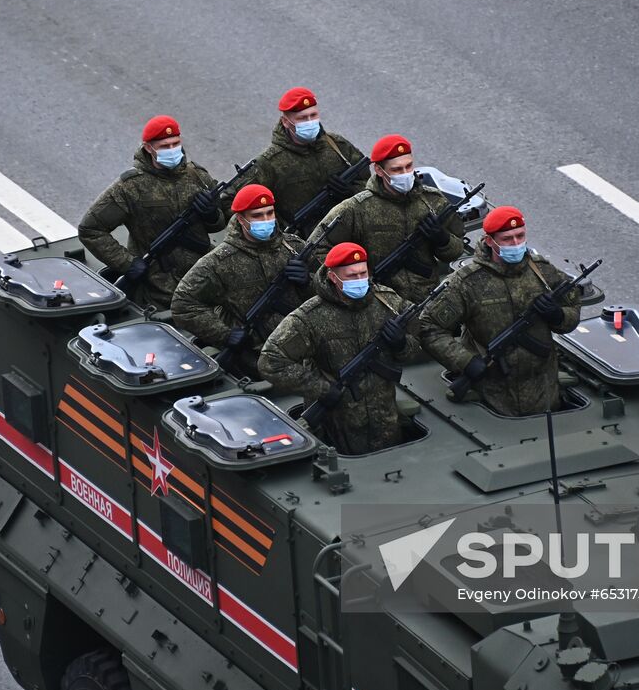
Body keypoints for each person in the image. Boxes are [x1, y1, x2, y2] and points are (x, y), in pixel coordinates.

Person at [259, 241, 419, 455]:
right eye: (352, 276)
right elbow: (271, 361)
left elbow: (416, 342)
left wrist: (401, 344)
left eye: (363, 273)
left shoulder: (388, 302)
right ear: (333, 277)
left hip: (385, 416)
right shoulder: (310, 316)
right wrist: (321, 388)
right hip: (338, 422)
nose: (360, 280)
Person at [420, 206, 580, 416]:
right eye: (507, 239)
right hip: (492, 397)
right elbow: (429, 326)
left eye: (520, 236)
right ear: (489, 241)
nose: (516, 244)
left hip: (544, 390)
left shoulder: (543, 271)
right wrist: (465, 361)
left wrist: (559, 316)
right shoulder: (467, 282)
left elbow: (572, 306)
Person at [78, 115, 227, 309]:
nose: (173, 150)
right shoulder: (130, 186)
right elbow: (90, 229)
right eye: (165, 146)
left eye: (176, 144)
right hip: (161, 287)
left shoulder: (197, 176)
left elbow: (223, 220)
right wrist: (127, 264)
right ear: (149, 148)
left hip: (204, 278)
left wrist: (212, 215)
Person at [312, 134, 464, 302]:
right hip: (379, 302)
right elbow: (317, 248)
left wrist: (443, 240)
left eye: (409, 166)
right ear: (379, 170)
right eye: (397, 170)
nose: (405, 174)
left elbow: (456, 251)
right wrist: (355, 276)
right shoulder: (357, 208)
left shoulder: (432, 201)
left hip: (427, 298)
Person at [171, 184, 311, 363]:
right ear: (241, 219)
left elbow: (331, 289)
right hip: (255, 354)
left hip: (303, 349)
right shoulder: (219, 261)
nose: (266, 220)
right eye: (257, 216)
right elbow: (183, 304)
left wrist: (308, 281)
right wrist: (225, 335)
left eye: (269, 213)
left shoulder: (294, 247)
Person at [237, 87, 366, 230]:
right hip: (303, 239)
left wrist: (351, 191)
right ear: (285, 122)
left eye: (313, 115)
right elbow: (241, 204)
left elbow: (367, 181)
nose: (310, 122)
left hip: (348, 228)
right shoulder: (269, 163)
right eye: (302, 118)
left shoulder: (337, 145)